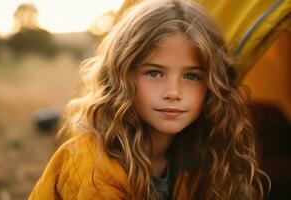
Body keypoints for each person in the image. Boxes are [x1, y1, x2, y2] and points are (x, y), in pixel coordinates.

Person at [29, 0, 269, 199]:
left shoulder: (198, 152)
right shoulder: (93, 162)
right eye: (154, 73)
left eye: (191, 76)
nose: (173, 92)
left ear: (213, 85)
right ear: (121, 76)